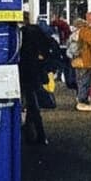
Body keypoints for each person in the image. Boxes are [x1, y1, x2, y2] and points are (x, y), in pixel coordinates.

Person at [20, 13, 54, 145]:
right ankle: (36, 134)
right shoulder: (36, 31)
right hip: (33, 73)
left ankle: (35, 134)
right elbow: (46, 49)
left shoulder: (22, 33)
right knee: (32, 103)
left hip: (23, 72)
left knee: (30, 103)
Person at [70, 14, 91, 111]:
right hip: (86, 60)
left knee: (81, 81)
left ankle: (80, 100)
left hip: (79, 59)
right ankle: (82, 101)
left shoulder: (77, 32)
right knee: (84, 81)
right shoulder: (87, 31)